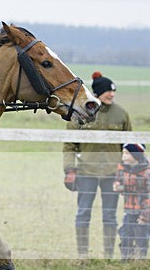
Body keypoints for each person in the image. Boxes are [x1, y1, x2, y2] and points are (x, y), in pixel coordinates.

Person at [63, 72, 131, 259]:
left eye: (113, 92)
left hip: (112, 174)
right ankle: (82, 256)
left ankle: (108, 256)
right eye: (108, 91)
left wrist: (126, 171)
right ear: (98, 93)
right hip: (86, 173)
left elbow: (129, 146)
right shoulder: (82, 113)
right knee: (83, 213)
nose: (111, 95)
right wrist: (69, 170)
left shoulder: (121, 114)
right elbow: (69, 145)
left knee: (110, 216)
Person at [113, 144, 150, 260]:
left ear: (136, 155)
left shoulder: (147, 172)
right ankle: (126, 259)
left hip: (144, 211)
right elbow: (117, 181)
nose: (123, 156)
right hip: (129, 209)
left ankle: (140, 261)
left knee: (141, 236)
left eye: (127, 153)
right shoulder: (122, 168)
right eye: (123, 153)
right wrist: (117, 186)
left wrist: (145, 214)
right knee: (125, 234)